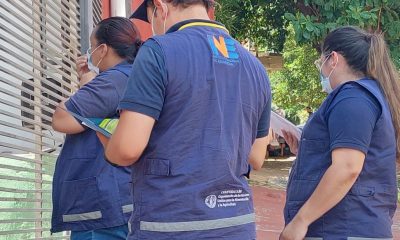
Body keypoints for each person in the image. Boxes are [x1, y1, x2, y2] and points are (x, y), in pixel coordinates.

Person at [97, 0, 271, 239]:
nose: (154, 25)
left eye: (150, 17)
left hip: (173, 223)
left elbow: (127, 149)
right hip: (236, 224)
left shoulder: (158, 50)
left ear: (160, 6)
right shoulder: (255, 66)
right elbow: (256, 156)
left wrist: (103, 135)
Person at [280, 26, 400, 239]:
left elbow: (347, 167)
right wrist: (306, 148)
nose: (322, 71)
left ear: (333, 59)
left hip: (342, 228)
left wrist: (301, 221)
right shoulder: (366, 96)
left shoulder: (352, 98)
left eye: (321, 63)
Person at [51, 17, 142, 240]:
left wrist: (89, 84)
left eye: (91, 46)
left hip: (103, 208)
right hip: (119, 201)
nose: (89, 52)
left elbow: (62, 120)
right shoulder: (135, 76)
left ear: (102, 49)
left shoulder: (114, 81)